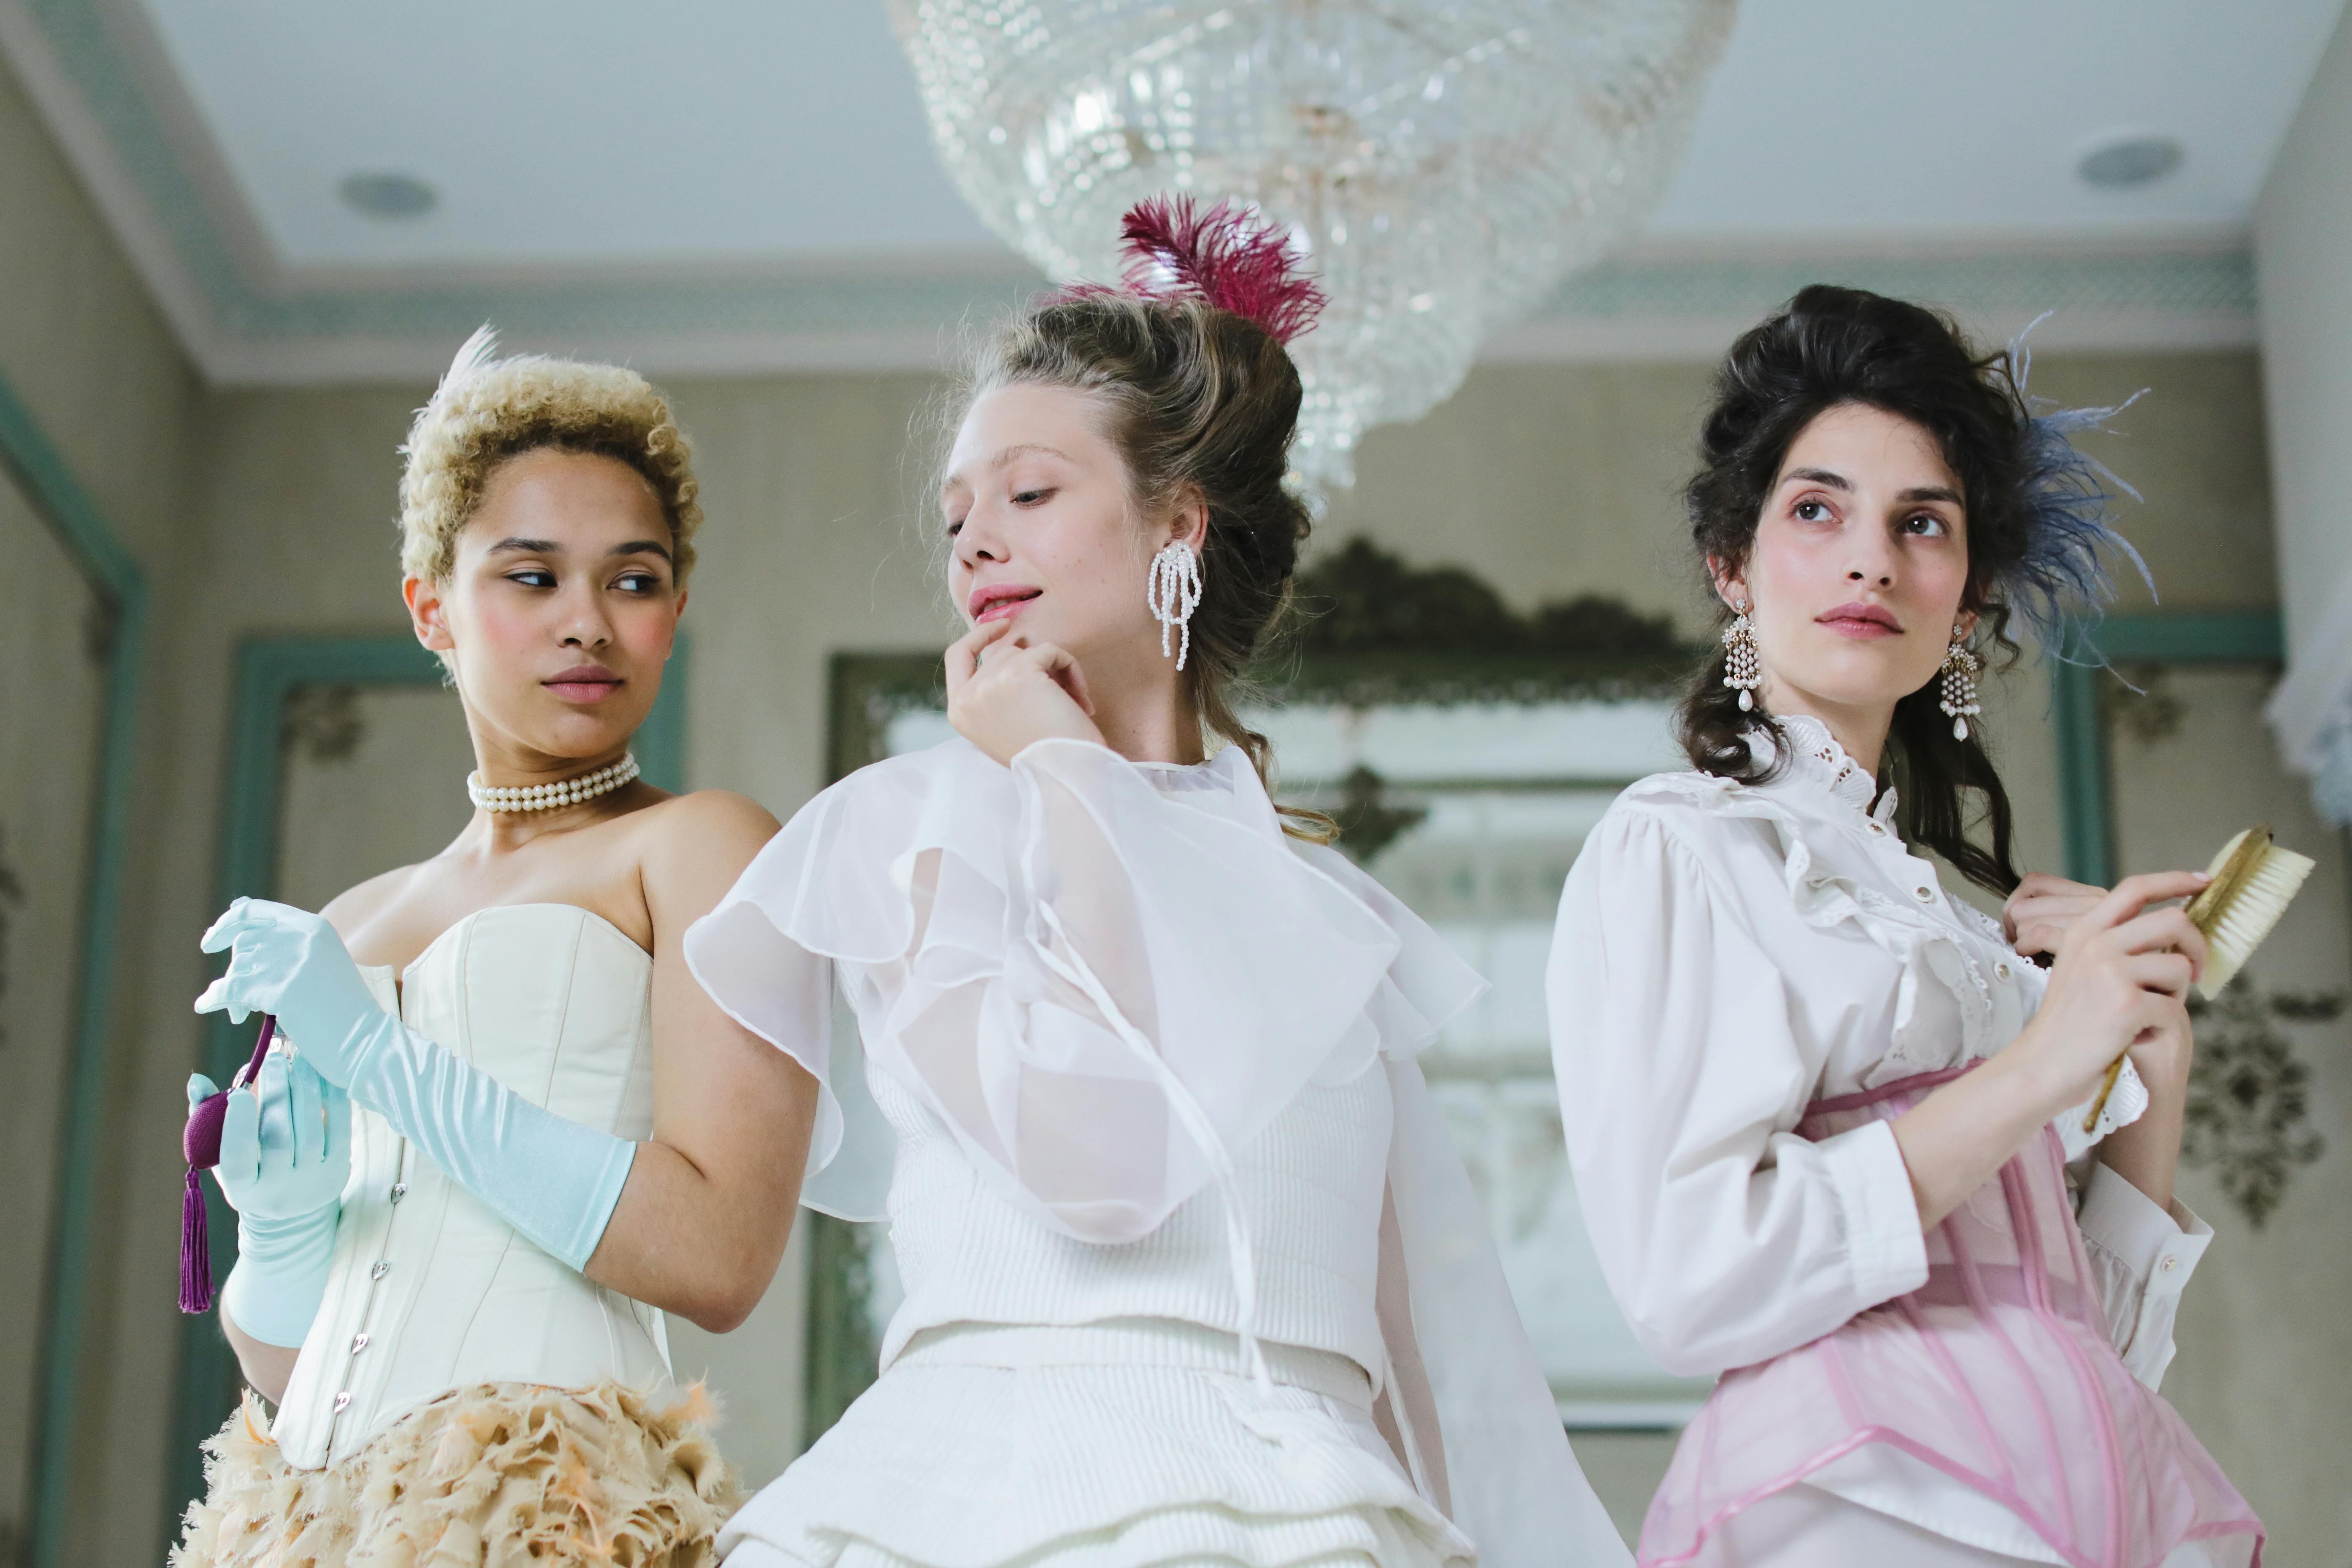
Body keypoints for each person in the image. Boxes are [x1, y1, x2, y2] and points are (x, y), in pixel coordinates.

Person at [684, 198, 1628, 1568]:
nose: (973, 545)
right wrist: (1067, 774)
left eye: (1028, 492)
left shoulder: (1333, 918)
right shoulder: (907, 834)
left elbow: (1437, 1355)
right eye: (957, 515)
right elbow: (1097, 1163)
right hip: (986, 1493)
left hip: (1320, 1511)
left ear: (1175, 522)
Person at [1549, 286, 2262, 1568]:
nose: (1870, 558)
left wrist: (2144, 1066)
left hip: (2081, 1506)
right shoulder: (1688, 848)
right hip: (1857, 1505)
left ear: (1965, 599)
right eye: (1814, 510)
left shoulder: (1961, 927)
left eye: (1918, 524)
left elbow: (2077, 1336)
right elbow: (1691, 1282)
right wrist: (2043, 1064)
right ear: (1731, 562)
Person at [177, 329, 817, 1567]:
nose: (588, 620)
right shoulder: (353, 919)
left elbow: (719, 1253)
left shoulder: (701, 847)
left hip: (558, 1502)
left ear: (674, 614)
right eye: (531, 577)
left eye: (633, 581)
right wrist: (281, 1233)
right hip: (307, 1522)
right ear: (433, 608)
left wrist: (376, 1051)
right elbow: (296, 1360)